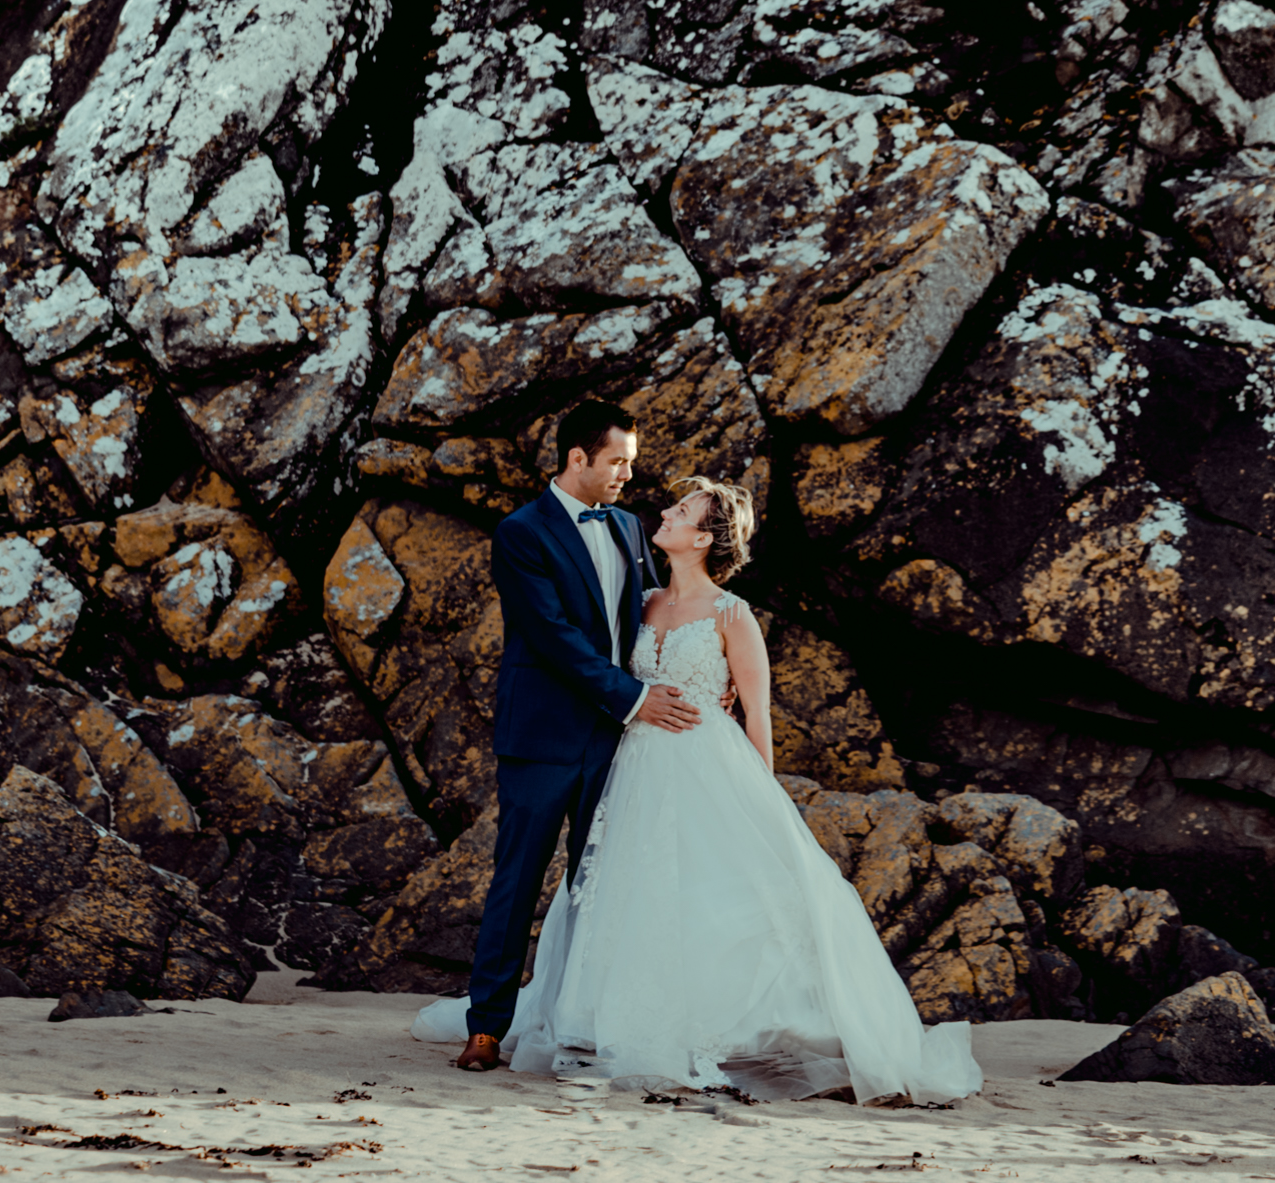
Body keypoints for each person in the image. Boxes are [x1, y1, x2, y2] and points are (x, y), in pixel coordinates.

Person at [418, 467, 982, 1106]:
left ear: (705, 538)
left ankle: (724, 1029)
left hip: (703, 765)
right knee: (626, 894)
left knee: (711, 896)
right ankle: (609, 1020)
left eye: (684, 509)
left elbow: (757, 712)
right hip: (630, 768)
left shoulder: (732, 614)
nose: (667, 510)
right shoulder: (646, 600)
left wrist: (761, 803)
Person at [433, 398, 703, 1073]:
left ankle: (583, 1019)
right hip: (543, 733)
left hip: (617, 739)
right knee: (517, 880)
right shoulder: (519, 532)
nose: (626, 475)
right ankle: (487, 1028)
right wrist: (636, 697)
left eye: (630, 463)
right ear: (577, 457)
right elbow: (552, 636)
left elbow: (651, 613)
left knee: (602, 882)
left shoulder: (628, 526)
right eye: (617, 462)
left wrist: (703, 670)